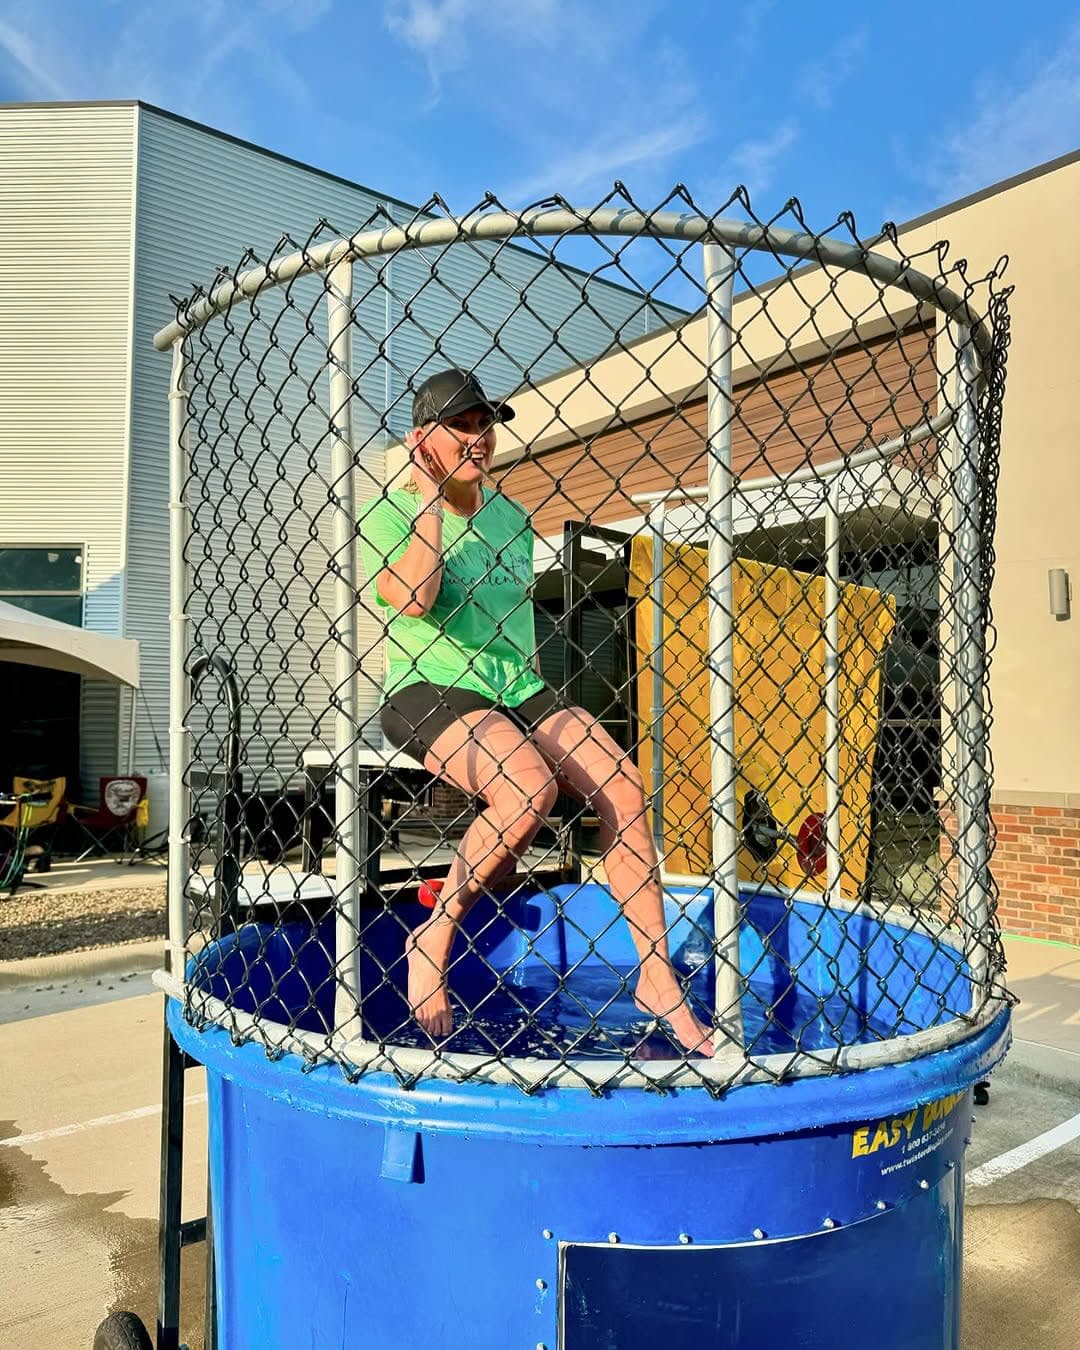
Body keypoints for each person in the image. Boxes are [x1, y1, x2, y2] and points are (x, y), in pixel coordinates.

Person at [357, 368, 713, 1055]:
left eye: (484, 423)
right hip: (430, 687)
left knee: (625, 787)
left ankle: (655, 975)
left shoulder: (512, 519)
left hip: (515, 686)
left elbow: (513, 625)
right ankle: (435, 933)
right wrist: (429, 504)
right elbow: (412, 600)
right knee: (529, 788)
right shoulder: (389, 513)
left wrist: (534, 708)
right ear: (422, 439)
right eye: (460, 425)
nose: (479, 437)